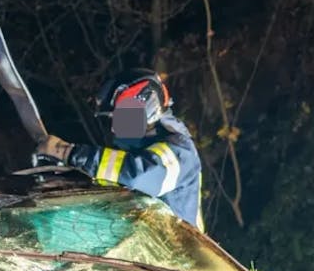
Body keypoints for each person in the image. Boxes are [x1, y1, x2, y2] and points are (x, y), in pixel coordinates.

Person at [34, 68, 204, 231]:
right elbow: (114, 184)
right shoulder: (141, 151)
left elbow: (138, 174)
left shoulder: (181, 151)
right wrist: (66, 179)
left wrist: (66, 152)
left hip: (175, 253)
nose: (115, 129)